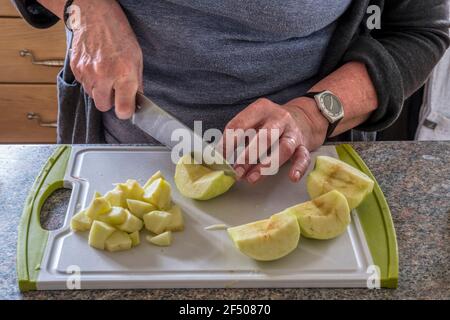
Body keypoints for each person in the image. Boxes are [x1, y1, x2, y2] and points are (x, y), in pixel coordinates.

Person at [12, 0, 450, 184]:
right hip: (120, 150)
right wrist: (85, 6)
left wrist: (313, 115)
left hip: (302, 169)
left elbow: (416, 31)